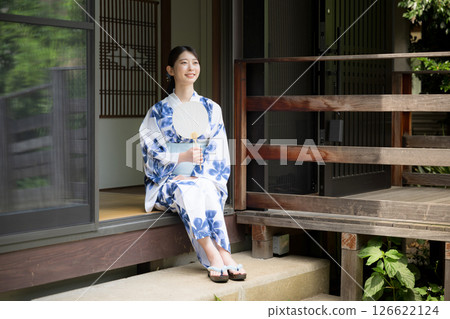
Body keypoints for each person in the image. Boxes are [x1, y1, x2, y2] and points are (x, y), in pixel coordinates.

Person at [139, 46, 247, 283]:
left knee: (203, 187)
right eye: (184, 63)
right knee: (188, 188)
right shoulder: (158, 112)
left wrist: (198, 175)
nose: (191, 68)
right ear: (170, 70)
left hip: (203, 178)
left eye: (195, 62)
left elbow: (218, 151)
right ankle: (212, 255)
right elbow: (150, 151)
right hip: (167, 182)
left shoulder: (211, 109)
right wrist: (181, 159)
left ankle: (225, 254)